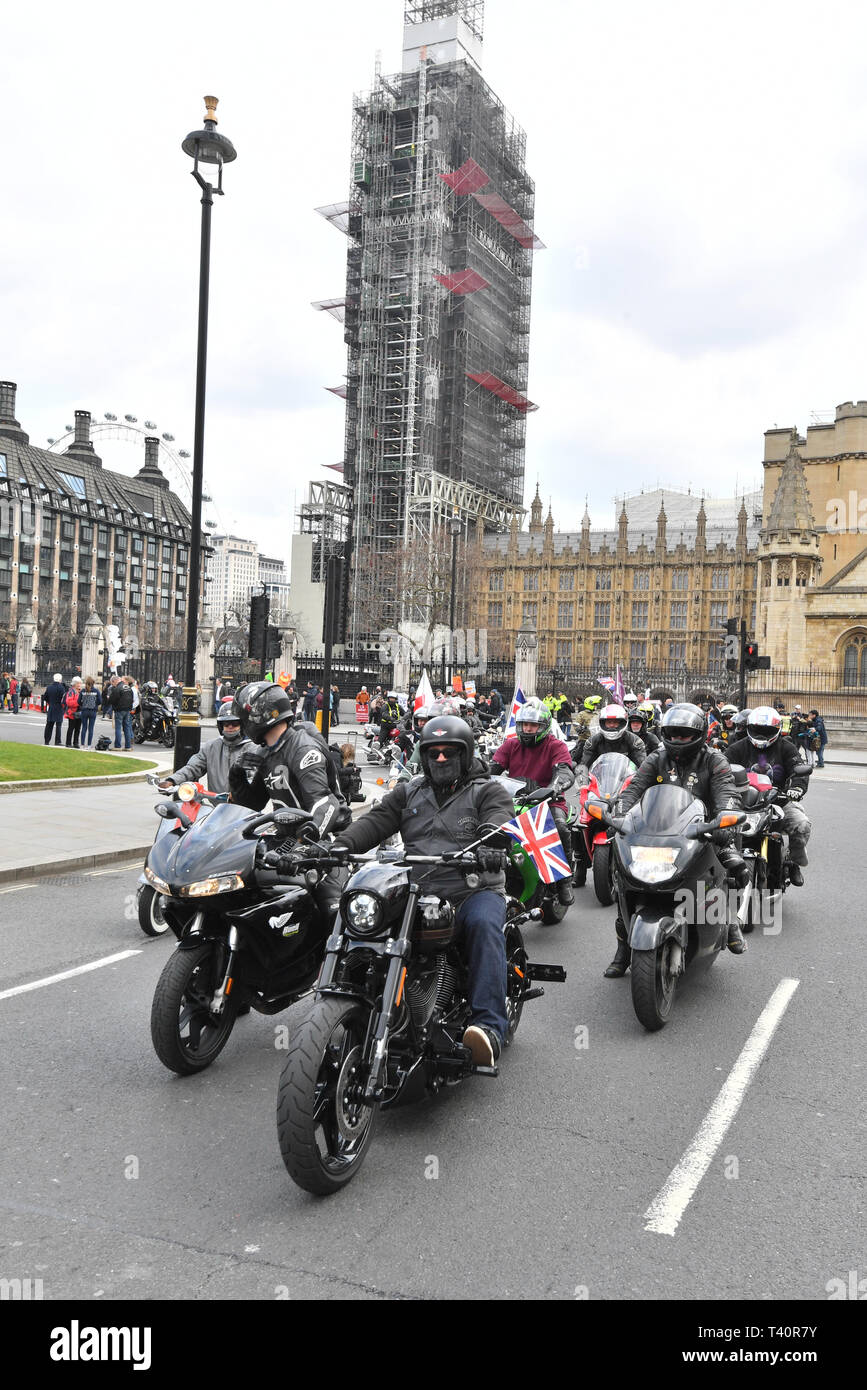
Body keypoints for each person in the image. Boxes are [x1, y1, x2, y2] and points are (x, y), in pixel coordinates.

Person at [315, 714, 516, 1067]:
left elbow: (497, 819)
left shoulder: (488, 790)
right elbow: (375, 822)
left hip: (471, 890)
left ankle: (490, 1026)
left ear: (465, 754)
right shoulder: (409, 791)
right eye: (433, 753)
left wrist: (491, 844)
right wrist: (337, 847)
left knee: (485, 926)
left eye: (449, 753)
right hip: (415, 890)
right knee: (357, 921)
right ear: (423, 756)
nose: (440, 759)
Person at [604, 703, 748, 976]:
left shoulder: (714, 761)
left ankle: (729, 921)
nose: (677, 740)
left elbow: (727, 795)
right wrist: (620, 816)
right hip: (656, 833)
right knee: (622, 876)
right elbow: (633, 789)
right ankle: (623, 950)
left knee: (736, 867)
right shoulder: (656, 758)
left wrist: (725, 820)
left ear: (699, 734)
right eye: (672, 733)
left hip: (704, 832)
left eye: (684, 734)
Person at [491, 697, 576, 906]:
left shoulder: (556, 746)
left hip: (548, 801)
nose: (528, 729)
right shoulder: (510, 745)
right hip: (513, 800)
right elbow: (490, 770)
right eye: (524, 725)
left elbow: (564, 770)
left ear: (544, 726)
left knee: (560, 828)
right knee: (486, 827)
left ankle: (564, 879)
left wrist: (555, 787)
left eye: (533, 725)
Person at [723, 706, 811, 886]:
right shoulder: (738, 747)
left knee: (801, 825)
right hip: (742, 800)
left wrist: (797, 788)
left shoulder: (787, 747)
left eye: (767, 731)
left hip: (779, 799)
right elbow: (721, 768)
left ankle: (793, 862)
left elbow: (799, 770)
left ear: (777, 729)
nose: (762, 735)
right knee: (717, 830)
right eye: (758, 730)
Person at [160, 700, 252, 792]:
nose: (230, 727)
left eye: (234, 723)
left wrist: (241, 794)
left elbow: (254, 777)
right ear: (221, 726)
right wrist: (172, 780)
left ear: (242, 724)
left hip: (244, 804)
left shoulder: (252, 748)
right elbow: (193, 767)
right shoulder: (211, 747)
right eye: (226, 723)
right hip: (217, 804)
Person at [575, 704, 646, 778]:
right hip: (599, 780)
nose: (612, 725)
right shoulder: (593, 741)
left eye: (615, 722)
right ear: (602, 723)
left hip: (626, 781)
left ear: (622, 723)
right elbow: (585, 764)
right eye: (609, 722)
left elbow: (642, 766)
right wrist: (583, 780)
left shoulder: (634, 741)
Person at [106, 674, 134, 749]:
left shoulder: (117, 688)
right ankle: (128, 746)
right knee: (127, 728)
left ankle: (118, 746)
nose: (113, 685)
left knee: (118, 728)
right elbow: (132, 699)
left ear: (115, 681)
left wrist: (109, 699)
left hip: (119, 710)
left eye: (112, 683)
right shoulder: (128, 687)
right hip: (127, 710)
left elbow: (112, 700)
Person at [42, 673, 67, 746]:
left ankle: (47, 740)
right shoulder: (61, 688)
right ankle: (57, 741)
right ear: (60, 679)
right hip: (59, 707)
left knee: (49, 725)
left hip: (51, 706)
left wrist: (50, 702)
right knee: (58, 725)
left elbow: (45, 697)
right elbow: (64, 698)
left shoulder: (49, 687)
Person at [78, 677, 102, 747]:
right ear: (93, 683)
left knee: (84, 728)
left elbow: (78, 701)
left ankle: (82, 744)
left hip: (84, 710)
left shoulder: (83, 691)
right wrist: (95, 704)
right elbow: (100, 701)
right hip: (93, 711)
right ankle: (89, 745)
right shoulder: (96, 691)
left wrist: (83, 705)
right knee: (91, 728)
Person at [64, 676, 84, 748]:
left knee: (78, 729)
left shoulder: (80, 691)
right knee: (71, 728)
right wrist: (78, 702)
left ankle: (76, 743)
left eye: (80, 683)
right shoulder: (71, 692)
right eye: (78, 683)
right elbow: (69, 702)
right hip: (72, 713)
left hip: (79, 712)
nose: (79, 685)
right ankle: (68, 743)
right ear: (74, 684)